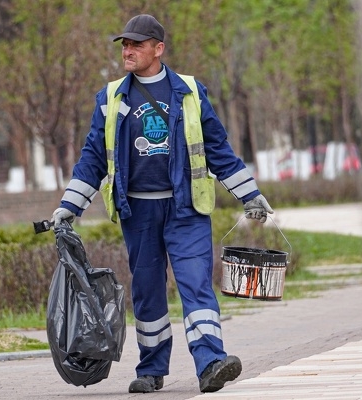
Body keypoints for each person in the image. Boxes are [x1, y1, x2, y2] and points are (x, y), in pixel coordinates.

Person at [51, 14, 274, 394]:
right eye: (125, 44)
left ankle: (210, 364)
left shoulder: (189, 93)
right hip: (138, 212)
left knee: (196, 285)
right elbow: (92, 158)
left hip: (185, 209)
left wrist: (249, 194)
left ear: (158, 49)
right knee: (148, 291)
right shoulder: (111, 98)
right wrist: (69, 207)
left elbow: (218, 150)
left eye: (136, 44)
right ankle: (152, 370)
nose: (128, 50)